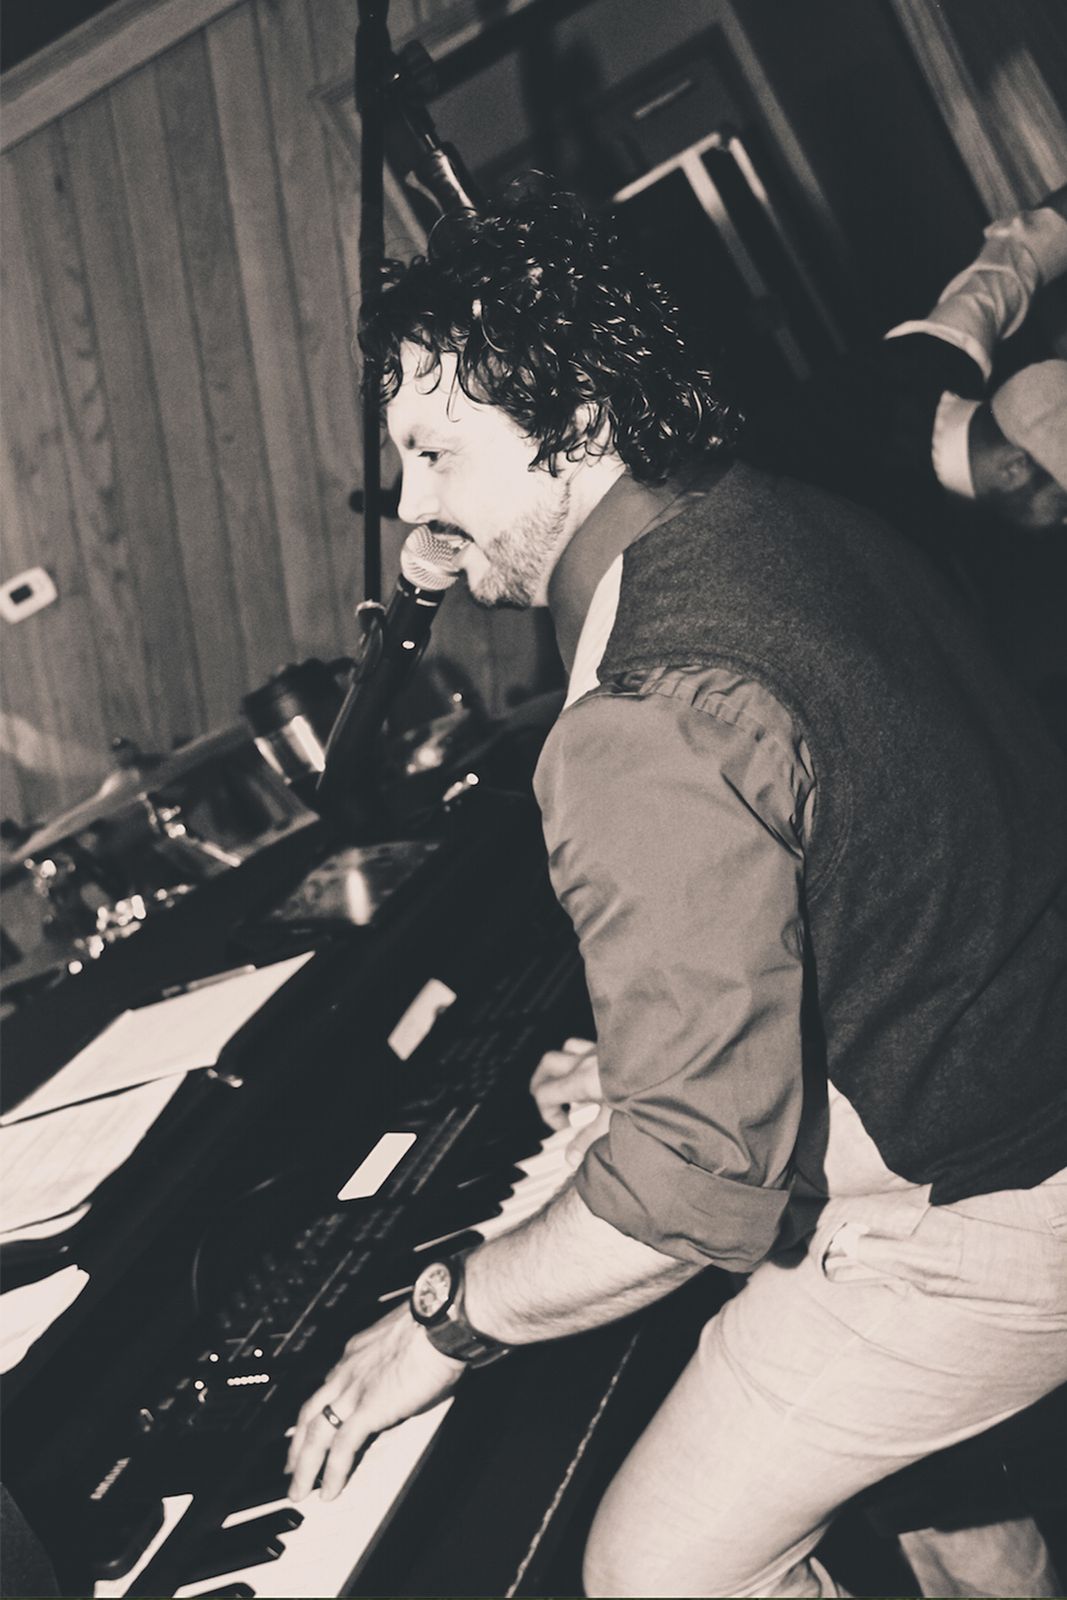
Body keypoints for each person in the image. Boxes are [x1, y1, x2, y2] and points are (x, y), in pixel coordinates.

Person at [285, 188, 1067, 1598]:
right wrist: (658, 1069)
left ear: (576, 421)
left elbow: (683, 1198)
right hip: (1021, 1070)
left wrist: (443, 1316)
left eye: (434, 452)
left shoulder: (638, 720)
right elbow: (877, 874)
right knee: (927, 1507)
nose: (410, 512)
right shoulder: (765, 513)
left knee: (654, 1573)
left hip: (1002, 1199)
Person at [744, 187, 1067, 746]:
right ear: (1017, 468)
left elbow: (1014, 261)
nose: (1062, 523)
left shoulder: (939, 358)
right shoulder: (883, 534)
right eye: (1064, 504)